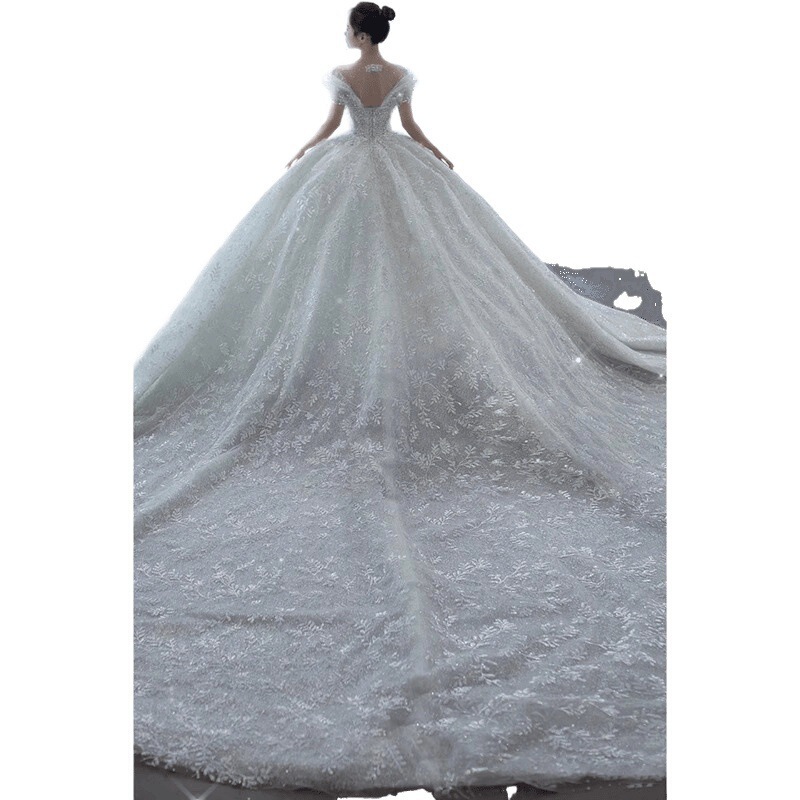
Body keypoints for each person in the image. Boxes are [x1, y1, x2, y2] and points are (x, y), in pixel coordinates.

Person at [133, 3, 667, 798]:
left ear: (357, 34)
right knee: (400, 267)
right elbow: (413, 130)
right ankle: (383, 349)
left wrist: (305, 153)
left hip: (347, 175)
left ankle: (359, 355)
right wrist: (438, 157)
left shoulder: (343, 77)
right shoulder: (401, 76)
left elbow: (330, 129)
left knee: (339, 272)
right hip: (396, 174)